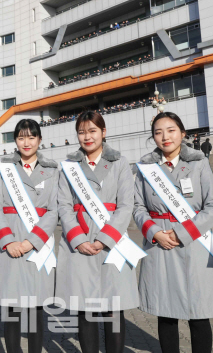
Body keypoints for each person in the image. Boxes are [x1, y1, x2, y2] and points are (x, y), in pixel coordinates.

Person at [134, 113, 213, 353]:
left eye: (171, 130)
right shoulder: (146, 167)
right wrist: (155, 232)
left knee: (198, 313)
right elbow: (137, 206)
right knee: (165, 313)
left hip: (194, 243)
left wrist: (181, 234)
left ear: (183, 133)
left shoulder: (199, 163)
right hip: (159, 245)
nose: (165, 136)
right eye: (158, 132)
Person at [55, 111, 139, 353]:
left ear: (103, 132)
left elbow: (126, 205)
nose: (87, 136)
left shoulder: (119, 163)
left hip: (111, 243)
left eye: (92, 131)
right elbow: (64, 205)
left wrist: (104, 240)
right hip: (78, 244)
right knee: (85, 308)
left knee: (113, 307)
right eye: (81, 132)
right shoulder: (69, 166)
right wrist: (79, 240)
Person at [0, 119, 59, 353]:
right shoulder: (4, 169)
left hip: (37, 243)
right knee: (11, 308)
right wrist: (8, 241)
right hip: (8, 242)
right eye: (20, 137)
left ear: (39, 139)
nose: (26, 142)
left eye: (31, 137)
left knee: (36, 307)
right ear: (15, 141)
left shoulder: (51, 171)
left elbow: (54, 210)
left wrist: (31, 241)